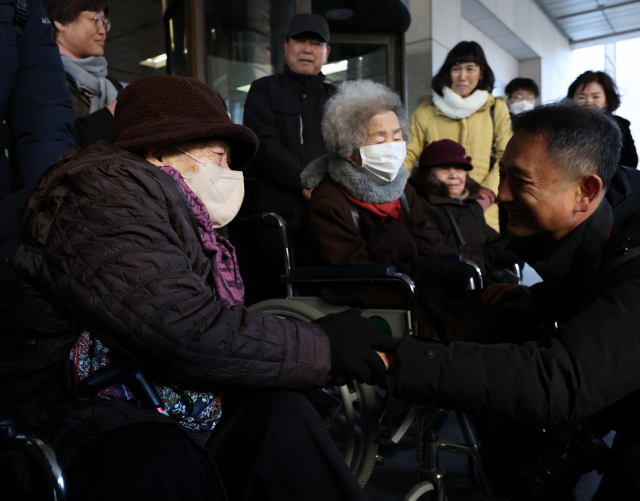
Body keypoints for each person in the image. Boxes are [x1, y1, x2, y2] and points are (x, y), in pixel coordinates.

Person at [1, 75, 394, 501]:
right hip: (70, 407)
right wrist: (323, 347)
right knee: (166, 459)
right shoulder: (101, 194)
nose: (229, 174)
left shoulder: (173, 214)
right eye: (219, 158)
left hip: (142, 391)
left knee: (281, 414)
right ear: (158, 153)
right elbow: (180, 327)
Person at [377, 101, 640, 499]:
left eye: (520, 181)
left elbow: (558, 379)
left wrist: (398, 360)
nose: (500, 195)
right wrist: (541, 299)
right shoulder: (605, 219)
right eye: (502, 176)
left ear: (584, 191)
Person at [300, 80, 475, 323]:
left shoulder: (404, 190)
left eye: (397, 137)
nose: (392, 148)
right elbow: (355, 277)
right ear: (349, 148)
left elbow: (426, 246)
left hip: (417, 293)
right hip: (379, 307)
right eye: (380, 141)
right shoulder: (329, 203)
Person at [237, 13, 336, 303]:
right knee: (276, 296)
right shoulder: (263, 90)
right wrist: (305, 182)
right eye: (300, 41)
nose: (307, 49)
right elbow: (264, 144)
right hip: (277, 216)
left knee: (325, 293)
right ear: (285, 46)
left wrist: (327, 191)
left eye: (316, 43)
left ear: (327, 53)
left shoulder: (338, 98)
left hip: (326, 213)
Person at [404, 41, 511, 232]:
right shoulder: (427, 110)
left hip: (483, 207)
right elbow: (408, 154)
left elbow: (507, 155)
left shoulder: (496, 108)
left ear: (481, 72)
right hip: (434, 205)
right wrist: (400, 192)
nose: (462, 76)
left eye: (470, 69)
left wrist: (485, 195)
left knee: (482, 255)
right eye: (456, 69)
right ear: (447, 72)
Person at [0, 0, 74, 258]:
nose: (102, 30)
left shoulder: (22, 8)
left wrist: (53, 212)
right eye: (94, 18)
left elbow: (45, 123)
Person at [408, 139, 520, 281]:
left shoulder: (471, 204)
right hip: (450, 282)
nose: (454, 175)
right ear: (427, 174)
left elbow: (491, 239)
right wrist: (486, 258)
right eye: (444, 168)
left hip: (479, 277)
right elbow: (433, 250)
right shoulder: (421, 206)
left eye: (459, 168)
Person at [43, 0, 122, 148]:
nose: (102, 31)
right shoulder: (42, 78)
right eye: (95, 20)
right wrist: (111, 115)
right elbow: (50, 144)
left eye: (104, 23)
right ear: (61, 21)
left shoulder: (112, 85)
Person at [567, 70, 637, 169]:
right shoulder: (564, 124)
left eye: (595, 96)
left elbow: (629, 163)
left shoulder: (620, 125)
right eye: (581, 97)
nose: (588, 102)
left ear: (607, 100)